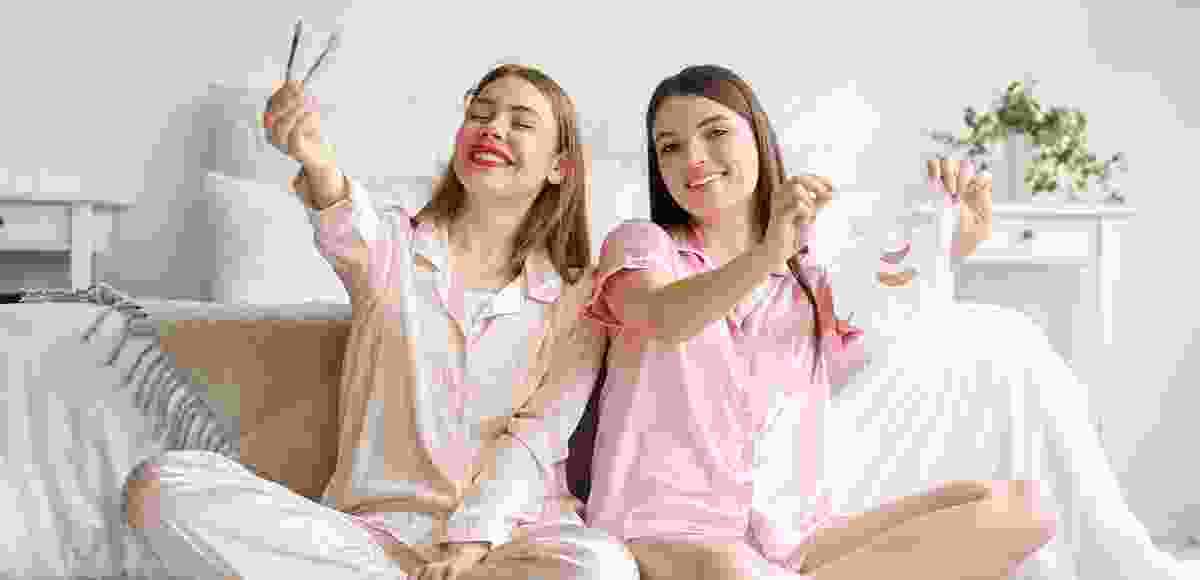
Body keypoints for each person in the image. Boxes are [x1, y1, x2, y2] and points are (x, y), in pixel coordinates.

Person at [123, 63, 640, 580]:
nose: (493, 128)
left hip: (511, 540)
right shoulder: (393, 247)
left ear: (559, 167)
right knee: (163, 488)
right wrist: (314, 155)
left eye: (520, 122)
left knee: (602, 566)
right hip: (374, 540)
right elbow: (343, 213)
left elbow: (538, 436)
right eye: (480, 113)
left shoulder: (577, 295)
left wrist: (470, 543)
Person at [580, 64, 1058, 580]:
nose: (692, 158)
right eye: (670, 147)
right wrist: (768, 252)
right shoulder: (641, 245)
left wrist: (951, 244)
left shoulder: (806, 282)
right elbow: (661, 318)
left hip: (789, 538)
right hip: (665, 529)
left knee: (1020, 509)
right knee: (731, 570)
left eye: (714, 133)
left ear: (759, 139)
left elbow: (889, 339)